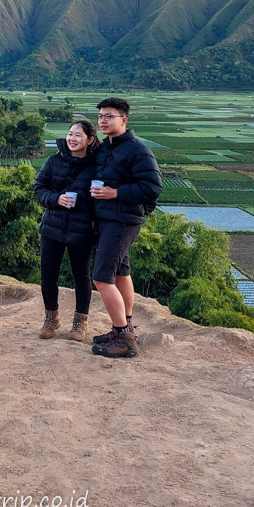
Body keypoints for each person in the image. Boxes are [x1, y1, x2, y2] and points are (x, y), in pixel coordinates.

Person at [88, 97, 161, 358]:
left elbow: (152, 188)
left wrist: (115, 193)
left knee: (101, 277)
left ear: (124, 120)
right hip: (110, 219)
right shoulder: (105, 148)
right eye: (100, 117)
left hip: (121, 221)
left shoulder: (137, 150)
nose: (103, 121)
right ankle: (124, 326)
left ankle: (125, 339)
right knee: (121, 272)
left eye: (109, 116)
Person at [33, 120, 100, 341]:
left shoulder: (96, 165)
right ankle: (51, 318)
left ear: (90, 140)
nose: (72, 138)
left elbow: (100, 199)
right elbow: (39, 187)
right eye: (70, 134)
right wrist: (56, 198)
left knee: (81, 277)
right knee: (48, 275)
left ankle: (81, 321)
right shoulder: (54, 161)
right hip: (52, 226)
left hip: (81, 229)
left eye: (78, 135)